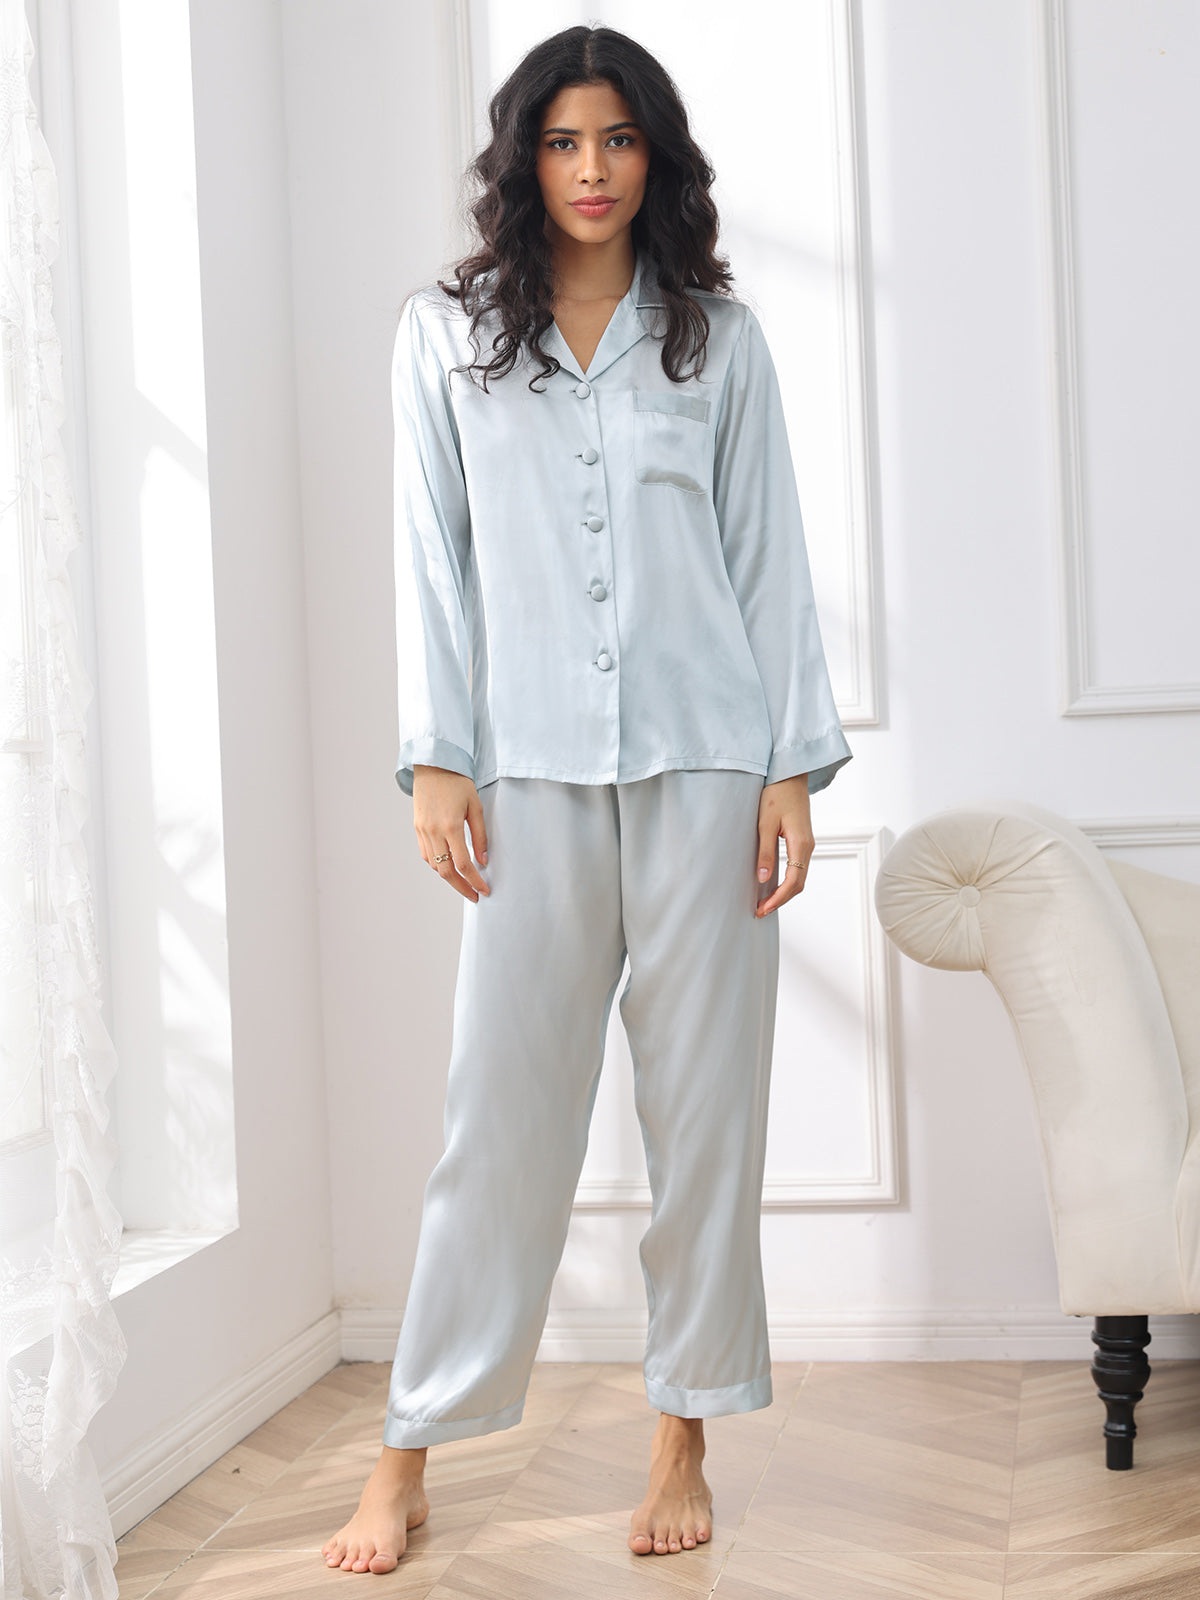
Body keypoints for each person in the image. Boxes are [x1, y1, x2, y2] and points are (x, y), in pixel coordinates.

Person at [322, 23, 852, 1577]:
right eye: (563, 142)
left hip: (708, 767)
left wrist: (788, 770)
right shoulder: (444, 337)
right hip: (529, 772)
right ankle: (407, 1450)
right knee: (498, 1124)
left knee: (707, 1126)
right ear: (524, 161)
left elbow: (768, 559)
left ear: (654, 156)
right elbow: (430, 554)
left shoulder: (716, 341)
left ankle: (683, 1432)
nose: (593, 169)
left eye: (618, 139)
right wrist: (438, 753)